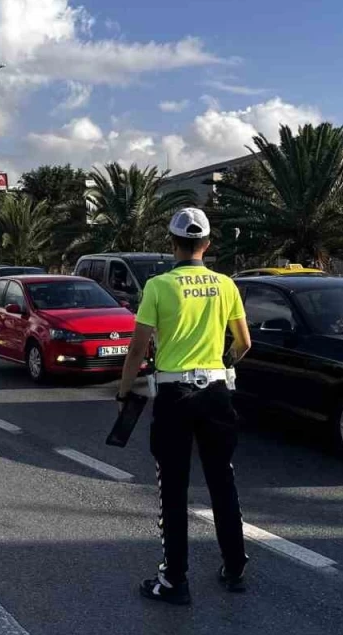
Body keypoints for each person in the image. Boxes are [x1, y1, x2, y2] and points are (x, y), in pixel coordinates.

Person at [115, 208, 253, 606]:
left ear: (172, 244)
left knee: (172, 489)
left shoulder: (158, 287)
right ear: (207, 245)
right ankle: (235, 567)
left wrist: (125, 391)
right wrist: (222, 365)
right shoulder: (226, 285)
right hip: (215, 392)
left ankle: (175, 580)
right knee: (222, 481)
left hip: (175, 396)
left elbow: (138, 347)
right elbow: (244, 344)